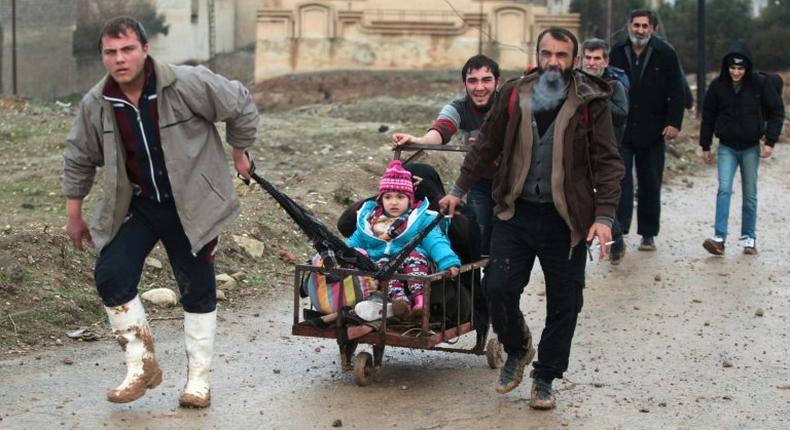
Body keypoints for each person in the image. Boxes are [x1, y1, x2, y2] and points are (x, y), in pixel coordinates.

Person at [62, 17, 259, 408]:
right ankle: (141, 365)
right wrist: (74, 212)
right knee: (111, 274)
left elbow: (240, 103)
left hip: (192, 205)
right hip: (138, 203)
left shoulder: (186, 83)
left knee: (196, 287)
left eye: (127, 49)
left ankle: (198, 381)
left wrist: (239, 152)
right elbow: (79, 156)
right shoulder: (97, 103)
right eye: (111, 52)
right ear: (103, 55)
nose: (119, 59)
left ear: (145, 49)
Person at [439, 27, 624, 410]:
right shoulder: (513, 93)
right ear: (537, 55)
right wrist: (457, 190)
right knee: (498, 288)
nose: (553, 62)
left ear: (574, 61)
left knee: (565, 302)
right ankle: (518, 346)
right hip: (515, 210)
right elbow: (486, 145)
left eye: (561, 55)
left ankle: (545, 377)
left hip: (567, 219)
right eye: (546, 54)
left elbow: (608, 163)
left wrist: (604, 216)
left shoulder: (592, 101)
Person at [391, 55, 501, 256]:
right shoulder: (459, 107)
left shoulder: (508, 106)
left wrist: (494, 148)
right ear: (464, 84)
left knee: (510, 239)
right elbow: (441, 131)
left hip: (513, 183)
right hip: (479, 180)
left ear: (497, 82)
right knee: (479, 236)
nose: (479, 87)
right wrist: (418, 140)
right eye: (472, 81)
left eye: (486, 80)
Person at [609, 9, 686, 251]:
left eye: (645, 26)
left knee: (650, 182)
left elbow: (678, 90)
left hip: (654, 129)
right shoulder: (617, 52)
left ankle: (648, 233)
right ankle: (618, 231)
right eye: (636, 25)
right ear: (628, 26)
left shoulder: (666, 54)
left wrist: (674, 122)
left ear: (653, 29)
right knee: (619, 181)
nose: (640, 30)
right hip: (622, 129)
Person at [699, 41, 784, 256]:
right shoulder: (718, 86)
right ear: (727, 67)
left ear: (747, 68)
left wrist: (770, 141)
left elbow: (776, 111)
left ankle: (749, 238)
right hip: (726, 146)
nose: (736, 72)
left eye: (740, 68)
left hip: (750, 147)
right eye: (732, 68)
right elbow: (708, 115)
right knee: (724, 189)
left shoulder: (760, 85)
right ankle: (719, 238)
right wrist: (705, 145)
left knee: (750, 193)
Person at [347, 160, 461, 316]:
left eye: (400, 197)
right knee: (381, 266)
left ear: (410, 199)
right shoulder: (369, 222)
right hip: (386, 267)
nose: (394, 202)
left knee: (411, 258)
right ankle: (400, 303)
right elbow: (353, 243)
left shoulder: (420, 220)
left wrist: (448, 262)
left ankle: (420, 301)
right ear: (381, 200)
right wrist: (337, 255)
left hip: (416, 264)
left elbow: (436, 242)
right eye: (388, 197)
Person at [580, 38, 630, 265]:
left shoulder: (614, 85)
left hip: (606, 153)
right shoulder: (575, 83)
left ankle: (615, 242)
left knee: (605, 197)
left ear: (605, 61)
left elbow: (621, 114)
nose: (592, 63)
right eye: (588, 58)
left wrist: (597, 98)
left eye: (596, 58)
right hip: (578, 153)